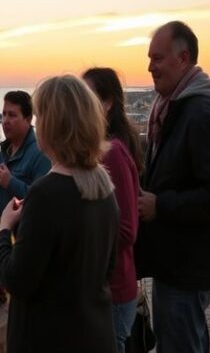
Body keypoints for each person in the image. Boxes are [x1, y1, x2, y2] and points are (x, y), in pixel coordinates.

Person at [0, 75, 119, 353]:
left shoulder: (46, 194)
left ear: (53, 125)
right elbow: (104, 269)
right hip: (94, 336)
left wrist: (4, 230)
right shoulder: (104, 187)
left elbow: (16, 279)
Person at [136, 21, 210, 353]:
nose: (150, 67)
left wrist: (160, 205)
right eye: (149, 58)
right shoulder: (175, 108)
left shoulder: (202, 114)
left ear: (183, 58)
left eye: (157, 58)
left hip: (187, 265)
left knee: (179, 343)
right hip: (178, 260)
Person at [82, 67, 140, 353]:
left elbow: (127, 230)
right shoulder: (101, 149)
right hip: (104, 288)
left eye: (88, 97)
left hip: (114, 290)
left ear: (107, 103)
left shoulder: (113, 153)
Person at [0, 90, 50, 224]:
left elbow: (42, 201)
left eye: (12, 115)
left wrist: (10, 182)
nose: (5, 121)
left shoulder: (41, 154)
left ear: (28, 119)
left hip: (23, 238)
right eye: (4, 114)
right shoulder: (4, 151)